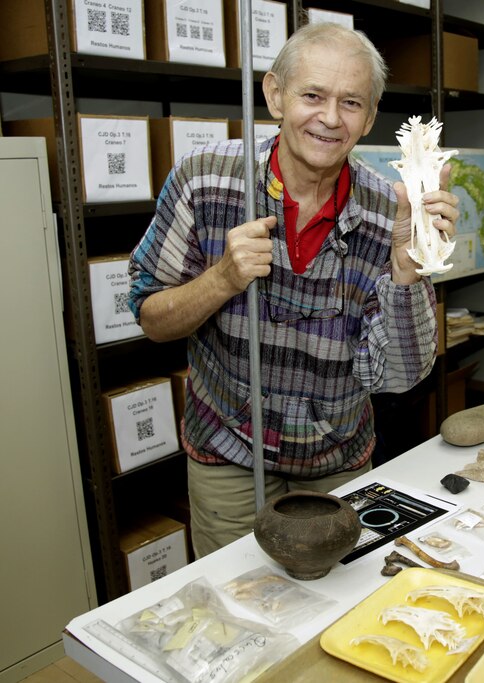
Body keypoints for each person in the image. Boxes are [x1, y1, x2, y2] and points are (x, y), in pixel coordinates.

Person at [128, 22, 459, 558]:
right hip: (228, 455)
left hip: (335, 463)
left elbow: (399, 377)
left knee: (329, 612)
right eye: (312, 96)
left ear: (371, 116)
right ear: (275, 95)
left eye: (351, 102)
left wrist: (408, 268)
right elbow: (151, 318)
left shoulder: (387, 212)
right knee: (235, 607)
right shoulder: (205, 178)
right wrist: (222, 279)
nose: (330, 118)